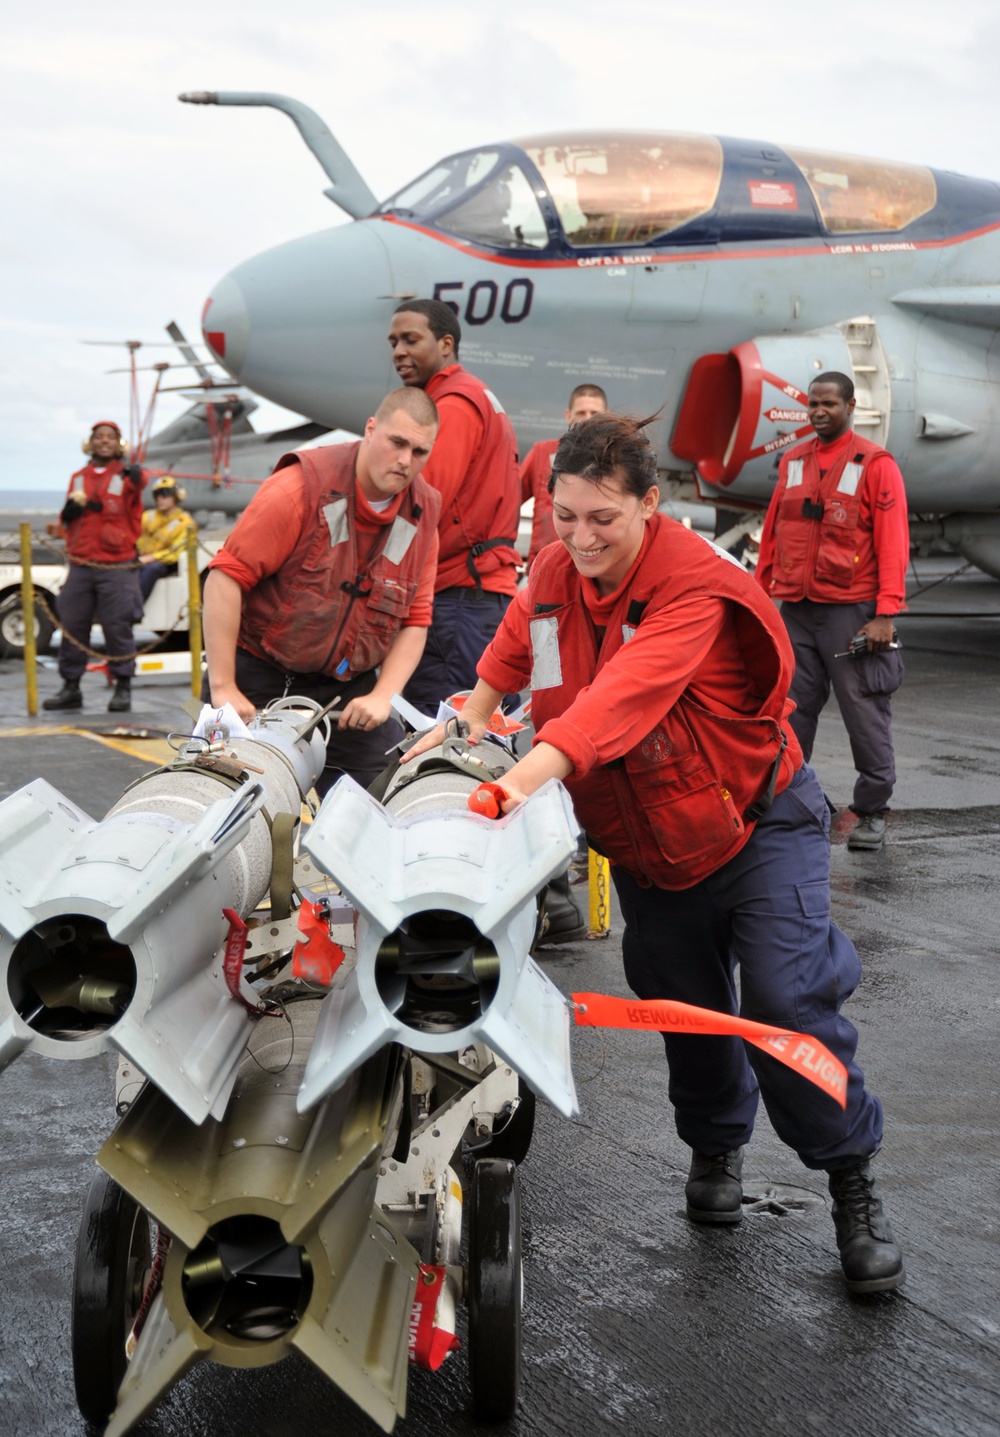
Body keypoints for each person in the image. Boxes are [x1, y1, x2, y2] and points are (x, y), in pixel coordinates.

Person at [404, 412, 904, 1295]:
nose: (581, 537)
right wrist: (467, 720)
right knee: (683, 1005)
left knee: (786, 1003)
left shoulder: (695, 588)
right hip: (650, 847)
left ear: (649, 503)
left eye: (604, 518)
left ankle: (849, 1178)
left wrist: (521, 779)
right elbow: (513, 652)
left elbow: (619, 702)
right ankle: (716, 1150)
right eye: (563, 516)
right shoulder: (556, 572)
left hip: (757, 825)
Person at [202, 387, 440, 795]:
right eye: (397, 442)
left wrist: (384, 695)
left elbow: (415, 620)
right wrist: (225, 687)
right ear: (370, 429)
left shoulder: (423, 513)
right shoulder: (300, 487)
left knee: (386, 802)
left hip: (346, 696)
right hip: (257, 678)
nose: (405, 461)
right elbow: (226, 578)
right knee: (230, 811)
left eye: (419, 452)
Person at [755, 373, 909, 852]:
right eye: (813, 405)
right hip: (797, 611)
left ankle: (871, 810)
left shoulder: (876, 465)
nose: (819, 412)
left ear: (851, 405)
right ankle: (792, 800)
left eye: (829, 404)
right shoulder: (794, 461)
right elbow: (773, 534)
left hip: (851, 612)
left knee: (863, 710)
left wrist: (885, 612)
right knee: (790, 711)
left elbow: (892, 540)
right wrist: (759, 597)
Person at [388, 300, 521, 715]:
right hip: (479, 598)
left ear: (446, 344)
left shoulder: (453, 404)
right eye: (393, 342)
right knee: (484, 734)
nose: (398, 351)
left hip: (459, 601)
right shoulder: (474, 395)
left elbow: (424, 502)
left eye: (411, 339)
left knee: (442, 738)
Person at [43, 420, 146, 714]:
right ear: (91, 442)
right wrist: (68, 513)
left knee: (118, 626)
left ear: (119, 444)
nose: (104, 441)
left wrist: (138, 473)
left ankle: (123, 686)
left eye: (110, 437)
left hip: (117, 566)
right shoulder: (78, 478)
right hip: (81, 564)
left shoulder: (128, 476)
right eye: (99, 436)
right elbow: (66, 519)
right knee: (72, 626)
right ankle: (71, 687)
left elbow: (141, 484)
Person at [520, 384, 608, 568]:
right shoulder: (542, 453)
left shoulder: (617, 459)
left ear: (606, 417)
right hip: (544, 567)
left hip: (596, 566)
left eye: (594, 413)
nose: (587, 419)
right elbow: (508, 504)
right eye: (581, 413)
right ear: (568, 415)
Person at [136, 476, 197, 600]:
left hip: (164, 563)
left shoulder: (185, 523)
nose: (160, 499)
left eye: (165, 494)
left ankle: (135, 604)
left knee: (151, 569)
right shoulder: (148, 516)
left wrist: (151, 558)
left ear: (176, 497)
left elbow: (175, 553)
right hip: (141, 557)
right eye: (157, 495)